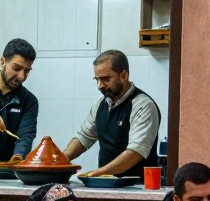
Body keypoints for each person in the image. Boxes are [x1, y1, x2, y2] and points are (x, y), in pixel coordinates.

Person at [62, 49, 160, 178]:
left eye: (106, 79)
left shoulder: (143, 105)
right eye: (97, 79)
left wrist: (97, 173)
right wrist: (60, 160)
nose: (100, 85)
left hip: (136, 187)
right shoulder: (100, 103)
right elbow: (84, 137)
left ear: (124, 75)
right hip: (106, 184)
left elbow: (136, 152)